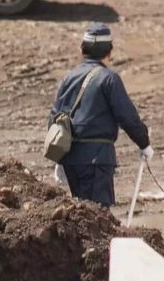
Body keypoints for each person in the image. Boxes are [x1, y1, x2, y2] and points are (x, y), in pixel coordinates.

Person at [49, 22, 153, 207]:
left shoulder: (68, 78)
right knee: (98, 217)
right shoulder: (109, 79)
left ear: (82, 50)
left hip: (70, 159)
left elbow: (55, 118)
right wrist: (144, 143)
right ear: (109, 52)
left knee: (81, 215)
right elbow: (127, 117)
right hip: (97, 159)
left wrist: (60, 156)